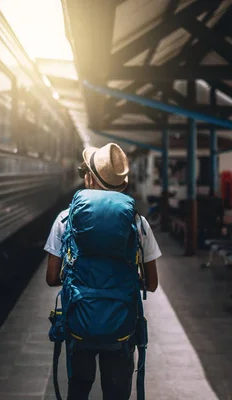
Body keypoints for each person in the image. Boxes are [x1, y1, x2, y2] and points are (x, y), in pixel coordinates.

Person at [44, 143, 161, 400]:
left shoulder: (65, 219)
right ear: (123, 184)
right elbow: (151, 283)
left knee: (78, 391)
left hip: (79, 324)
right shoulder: (138, 222)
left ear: (89, 178)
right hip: (121, 327)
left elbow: (52, 277)